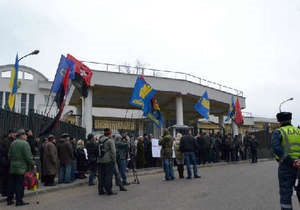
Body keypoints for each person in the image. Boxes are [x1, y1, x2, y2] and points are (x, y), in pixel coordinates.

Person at [271, 112, 300, 210]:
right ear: (290, 120)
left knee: (286, 193)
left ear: (279, 122)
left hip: (286, 167)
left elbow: (277, 149)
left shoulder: (278, 132)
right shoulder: (298, 131)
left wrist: (292, 162)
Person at [7, 129, 34, 206]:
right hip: (21, 168)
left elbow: (9, 155)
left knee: (11, 184)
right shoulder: (25, 144)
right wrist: (33, 163)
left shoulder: (13, 143)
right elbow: (28, 157)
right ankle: (19, 201)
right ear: (22, 136)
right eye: (25, 135)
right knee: (19, 185)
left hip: (12, 167)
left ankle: (9, 200)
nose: (26, 136)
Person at [98, 128, 117, 195]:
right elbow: (113, 152)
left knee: (101, 176)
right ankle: (109, 190)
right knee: (108, 176)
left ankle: (100, 190)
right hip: (108, 160)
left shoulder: (100, 140)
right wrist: (114, 160)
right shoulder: (110, 141)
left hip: (100, 160)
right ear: (110, 133)